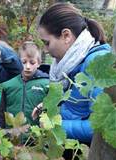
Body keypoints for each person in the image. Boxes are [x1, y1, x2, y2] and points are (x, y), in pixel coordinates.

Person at [32, 2, 111, 143]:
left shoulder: (97, 63)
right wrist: (50, 105)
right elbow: (75, 103)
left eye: (47, 43)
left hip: (82, 156)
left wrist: (55, 126)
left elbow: (100, 126)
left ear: (66, 36)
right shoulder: (71, 62)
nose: (45, 50)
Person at [0, 41, 49, 127]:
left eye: (32, 62)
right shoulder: (9, 82)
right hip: (11, 136)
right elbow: (2, 111)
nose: (28, 67)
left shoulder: (46, 83)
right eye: (24, 62)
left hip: (34, 137)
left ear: (39, 63)